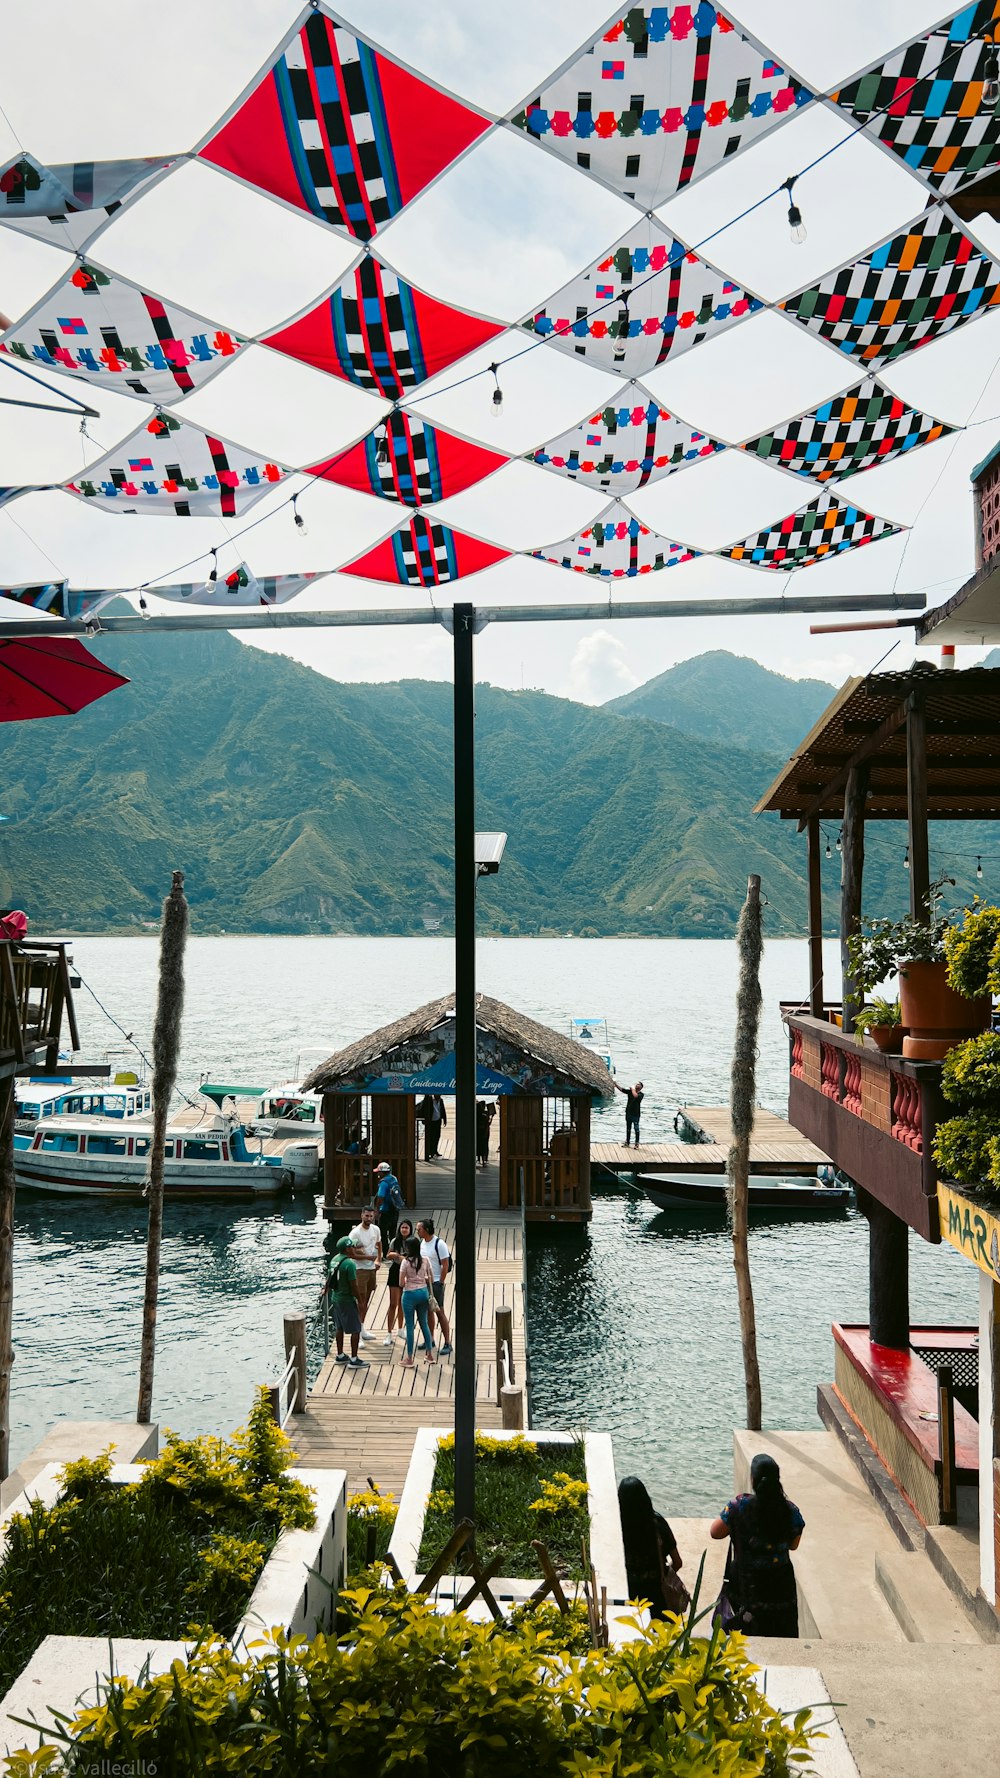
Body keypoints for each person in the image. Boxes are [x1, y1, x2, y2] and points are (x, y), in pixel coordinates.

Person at [710, 1452, 804, 1638]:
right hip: (780, 1587)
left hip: (746, 1585)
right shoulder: (790, 1511)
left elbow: (715, 1532)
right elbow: (793, 1545)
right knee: (780, 1636)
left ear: (752, 1479)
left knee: (743, 1636)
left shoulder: (738, 1506)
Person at [618, 1476, 687, 1619]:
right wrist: (663, 1574)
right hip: (659, 1594)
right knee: (664, 1638)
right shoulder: (657, 1523)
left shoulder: (619, 1528)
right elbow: (677, 1561)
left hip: (631, 1594)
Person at [324, 1234, 369, 1369]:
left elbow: (329, 1276)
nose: (354, 1247)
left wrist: (326, 1289)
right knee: (355, 1329)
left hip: (335, 1298)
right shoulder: (349, 1264)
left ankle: (340, 1355)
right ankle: (354, 1359)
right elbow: (353, 1285)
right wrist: (360, 1301)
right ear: (346, 1249)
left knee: (339, 1327)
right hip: (347, 1300)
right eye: (351, 1246)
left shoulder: (334, 1260)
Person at [417, 1216, 452, 1355]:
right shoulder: (422, 1243)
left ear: (425, 1230)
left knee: (440, 1312)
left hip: (436, 1283)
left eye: (419, 1229)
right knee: (428, 1312)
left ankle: (448, 1342)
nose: (417, 1231)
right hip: (424, 1282)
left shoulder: (439, 1243)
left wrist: (441, 1282)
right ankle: (430, 1339)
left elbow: (445, 1264)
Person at [347, 1204, 382, 1343]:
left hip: (371, 1268)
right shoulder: (355, 1233)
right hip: (359, 1269)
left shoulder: (376, 1229)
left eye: (371, 1216)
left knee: (366, 1300)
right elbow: (351, 1254)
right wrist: (367, 1258)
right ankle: (357, 1333)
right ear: (361, 1215)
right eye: (366, 1215)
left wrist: (378, 1260)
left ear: (374, 1216)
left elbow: (379, 1244)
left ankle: (362, 1328)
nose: (368, 1218)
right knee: (359, 1302)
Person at [399, 1235, 435, 1367]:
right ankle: (430, 1355)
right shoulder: (425, 1260)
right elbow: (430, 1277)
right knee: (424, 1324)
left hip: (409, 1295)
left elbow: (401, 1283)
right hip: (423, 1294)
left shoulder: (405, 1262)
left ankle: (409, 1358)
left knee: (410, 1326)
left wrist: (408, 1280)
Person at [383, 1217, 413, 1343]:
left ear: (410, 1229)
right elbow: (387, 1255)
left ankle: (401, 1329)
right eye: (402, 1227)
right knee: (393, 1303)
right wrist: (395, 1255)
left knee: (403, 1303)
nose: (404, 1229)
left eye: (406, 1227)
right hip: (395, 1270)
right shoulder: (395, 1241)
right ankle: (389, 1333)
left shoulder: (413, 1241)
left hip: (409, 1271)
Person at [374, 1159, 403, 1249]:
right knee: (393, 1232)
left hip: (386, 1211)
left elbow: (380, 1197)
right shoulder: (394, 1178)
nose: (378, 1174)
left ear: (382, 1173)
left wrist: (377, 1211)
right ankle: (395, 1249)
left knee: (382, 1232)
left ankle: (386, 1252)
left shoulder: (383, 1183)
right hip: (395, 1209)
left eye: (379, 1172)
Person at [417, 1093, 447, 1159]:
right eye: (438, 1095)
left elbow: (442, 1110)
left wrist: (445, 1119)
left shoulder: (441, 1100)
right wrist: (424, 1119)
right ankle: (429, 1152)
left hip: (438, 1121)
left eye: (440, 1095)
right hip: (430, 1121)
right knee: (430, 1137)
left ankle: (435, 1151)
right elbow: (423, 1109)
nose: (439, 1096)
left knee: (437, 1136)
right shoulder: (429, 1099)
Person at [615, 1080, 644, 1147]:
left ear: (641, 1087)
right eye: (636, 1084)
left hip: (636, 1114)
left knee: (636, 1128)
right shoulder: (631, 1092)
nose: (636, 1085)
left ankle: (637, 1143)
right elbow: (623, 1090)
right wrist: (616, 1085)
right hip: (628, 1113)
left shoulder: (641, 1094)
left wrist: (633, 1089)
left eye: (638, 1084)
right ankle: (627, 1142)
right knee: (628, 1128)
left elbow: (635, 1096)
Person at [475, 1099, 493, 1168]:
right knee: (484, 1146)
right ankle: (484, 1160)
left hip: (477, 1133)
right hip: (484, 1133)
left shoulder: (475, 1116)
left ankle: (478, 1159)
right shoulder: (484, 1115)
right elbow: (488, 1124)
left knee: (478, 1146)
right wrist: (491, 1117)